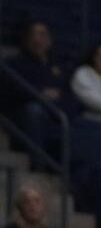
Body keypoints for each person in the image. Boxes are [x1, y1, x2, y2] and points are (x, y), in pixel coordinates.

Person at [5, 21, 66, 156]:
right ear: (26, 39)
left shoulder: (59, 68)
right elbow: (11, 92)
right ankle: (37, 163)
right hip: (22, 113)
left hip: (54, 113)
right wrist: (40, 93)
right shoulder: (15, 63)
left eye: (42, 35)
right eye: (33, 35)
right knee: (34, 110)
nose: (37, 39)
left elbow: (68, 94)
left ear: (50, 40)